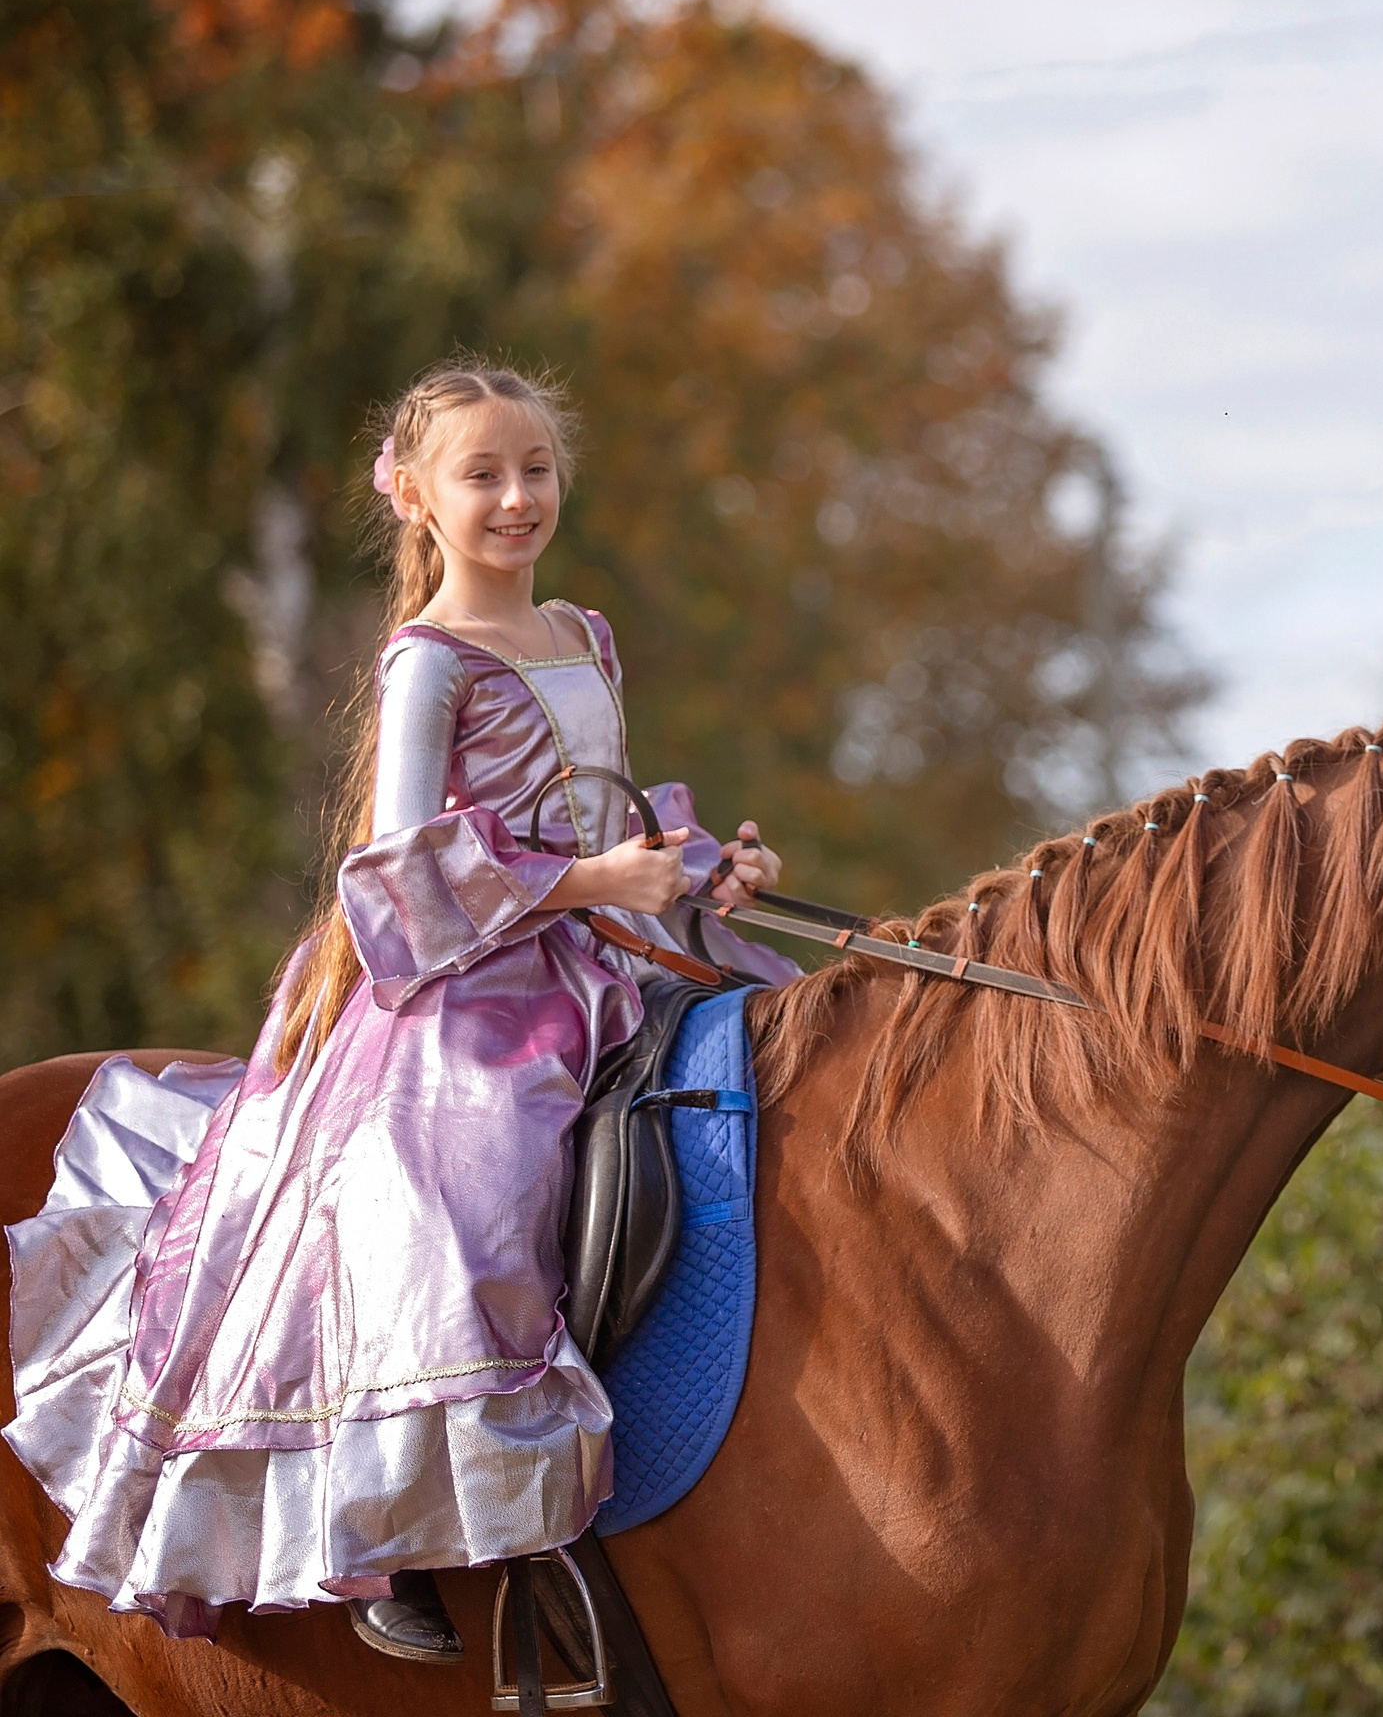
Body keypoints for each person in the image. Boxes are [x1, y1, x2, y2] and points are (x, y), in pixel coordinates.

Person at [4, 358, 798, 1658]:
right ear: (420, 499)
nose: (517, 497)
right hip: (470, 982)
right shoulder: (428, 662)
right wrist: (598, 881)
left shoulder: (584, 634)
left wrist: (701, 869)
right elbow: (399, 868)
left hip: (609, 948)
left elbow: (599, 807)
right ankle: (386, 1528)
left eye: (535, 468)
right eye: (483, 474)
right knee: (455, 1195)